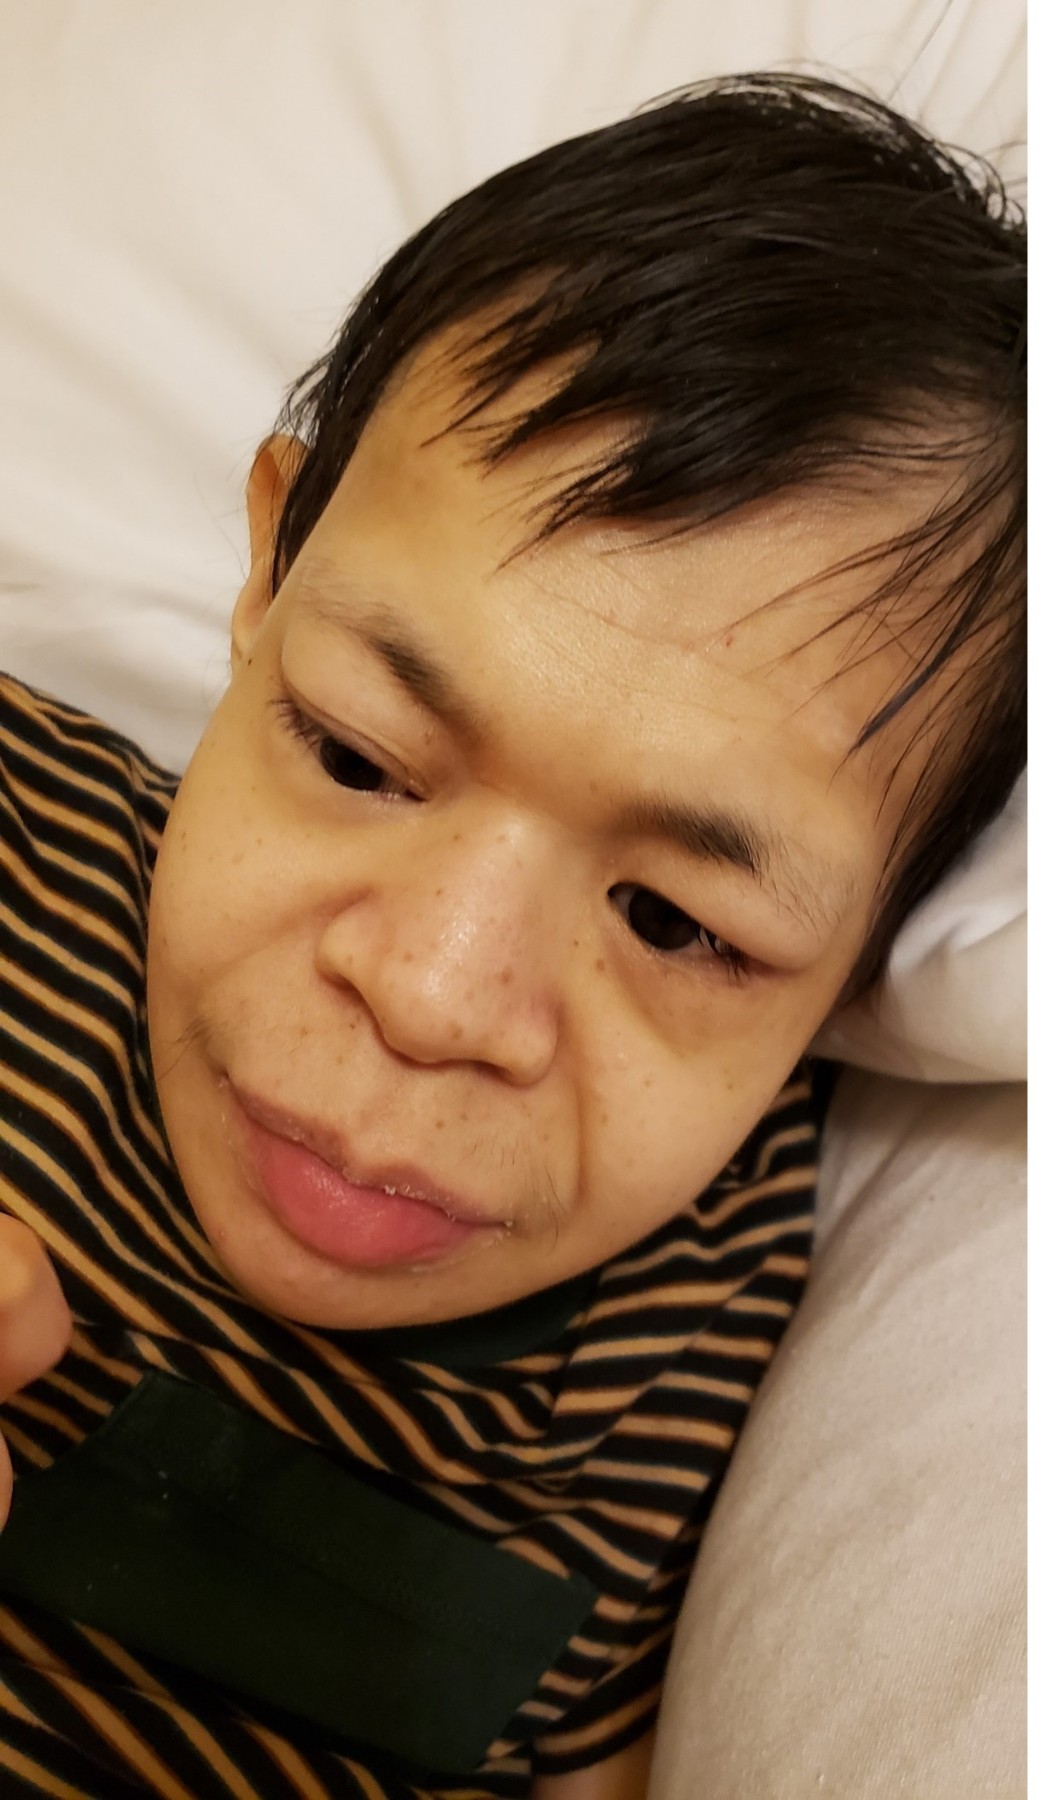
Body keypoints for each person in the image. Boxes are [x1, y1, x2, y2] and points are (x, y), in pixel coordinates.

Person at [0, 70, 1025, 1800]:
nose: (428, 996)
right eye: (356, 755)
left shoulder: (702, 1336)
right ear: (269, 573)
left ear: (866, 958)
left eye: (673, 922)